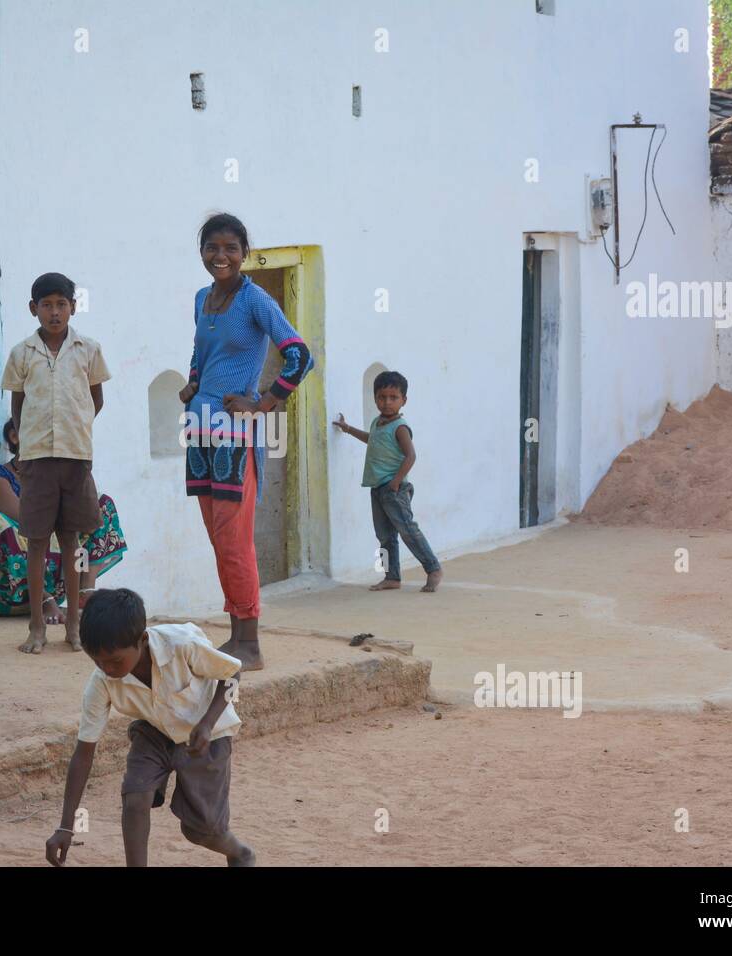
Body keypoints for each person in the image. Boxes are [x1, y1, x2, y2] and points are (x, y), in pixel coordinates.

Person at [179, 213, 314, 671]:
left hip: (235, 434)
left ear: (245, 253)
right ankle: (236, 634)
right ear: (201, 252)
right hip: (199, 431)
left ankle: (250, 642)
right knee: (219, 537)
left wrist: (264, 404)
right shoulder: (202, 298)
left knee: (235, 538)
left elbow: (299, 355)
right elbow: (201, 352)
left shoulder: (256, 301)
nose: (221, 256)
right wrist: (193, 384)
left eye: (230, 248)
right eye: (212, 248)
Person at [44, 588, 255, 867]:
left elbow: (232, 674)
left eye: (115, 660)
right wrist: (66, 827)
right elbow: (84, 753)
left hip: (208, 735)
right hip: (154, 731)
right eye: (97, 660)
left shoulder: (181, 645)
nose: (106, 668)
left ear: (142, 640)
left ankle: (240, 852)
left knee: (200, 831)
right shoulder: (101, 683)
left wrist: (206, 723)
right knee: (135, 798)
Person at [2, 272, 111, 653]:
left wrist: (74, 431)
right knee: (35, 542)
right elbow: (18, 406)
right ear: (33, 309)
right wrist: (30, 439)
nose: (54, 312)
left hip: (76, 457)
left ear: (73, 307)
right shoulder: (21, 353)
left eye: (61, 304)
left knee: (71, 541)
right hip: (36, 459)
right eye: (46, 305)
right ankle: (36, 627)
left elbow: (95, 400)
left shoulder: (88, 349)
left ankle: (74, 627)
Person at [0, 419, 127, 623]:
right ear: (15, 437)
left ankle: (84, 591)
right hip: (8, 586)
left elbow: (84, 511)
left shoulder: (55, 476)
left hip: (56, 571)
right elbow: (23, 517)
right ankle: (43, 598)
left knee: (102, 505)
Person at [333, 370, 443, 592]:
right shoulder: (377, 423)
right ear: (374, 398)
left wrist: (396, 482)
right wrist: (348, 429)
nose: (387, 402)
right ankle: (391, 577)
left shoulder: (400, 428)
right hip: (377, 488)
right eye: (382, 397)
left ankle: (433, 568)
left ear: (404, 400)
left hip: (394, 489)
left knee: (407, 530)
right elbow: (371, 440)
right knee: (384, 535)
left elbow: (411, 456)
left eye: (393, 398)